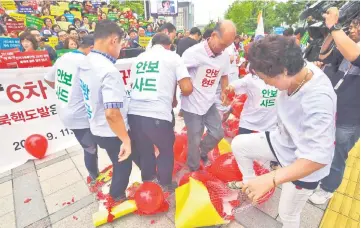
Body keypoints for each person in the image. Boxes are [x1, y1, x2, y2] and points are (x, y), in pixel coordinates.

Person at [229, 35, 336, 228]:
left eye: (266, 79)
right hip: (284, 142)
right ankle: (251, 184)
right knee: (239, 144)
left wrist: (272, 178)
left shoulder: (318, 100)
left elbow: (319, 158)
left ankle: (263, 184)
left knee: (287, 214)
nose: (265, 84)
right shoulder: (299, 70)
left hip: (305, 165)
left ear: (284, 71)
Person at [128, 33, 193, 191]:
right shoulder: (173, 57)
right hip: (157, 114)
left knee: (145, 150)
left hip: (134, 113)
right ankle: (165, 184)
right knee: (165, 150)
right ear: (169, 45)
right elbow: (187, 88)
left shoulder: (138, 58)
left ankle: (149, 181)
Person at [309, 8, 360, 205]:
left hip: (351, 116)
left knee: (338, 153)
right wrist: (330, 34)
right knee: (323, 145)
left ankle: (328, 188)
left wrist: (335, 26)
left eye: (356, 26)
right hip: (332, 108)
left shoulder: (353, 48)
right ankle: (317, 174)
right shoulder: (348, 44)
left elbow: (355, 56)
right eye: (352, 25)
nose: (352, 29)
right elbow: (324, 56)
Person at [78, 20, 132, 204]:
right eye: (121, 44)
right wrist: (125, 140)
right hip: (111, 131)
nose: (120, 49)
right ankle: (116, 196)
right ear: (113, 40)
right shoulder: (108, 70)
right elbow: (112, 113)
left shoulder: (87, 60)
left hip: (96, 126)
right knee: (123, 165)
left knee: (114, 158)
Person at [181, 21, 236, 171]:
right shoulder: (192, 53)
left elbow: (224, 76)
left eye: (227, 46)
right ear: (213, 35)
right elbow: (178, 74)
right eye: (222, 44)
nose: (223, 49)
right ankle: (193, 168)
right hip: (192, 104)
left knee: (218, 133)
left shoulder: (224, 56)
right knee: (195, 138)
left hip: (209, 101)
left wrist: (225, 92)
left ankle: (201, 152)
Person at [44, 35, 98, 187]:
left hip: (67, 112)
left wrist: (64, 91)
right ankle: (94, 178)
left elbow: (47, 78)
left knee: (90, 147)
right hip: (79, 115)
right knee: (90, 149)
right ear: (92, 49)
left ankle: (94, 174)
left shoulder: (65, 57)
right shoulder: (84, 62)